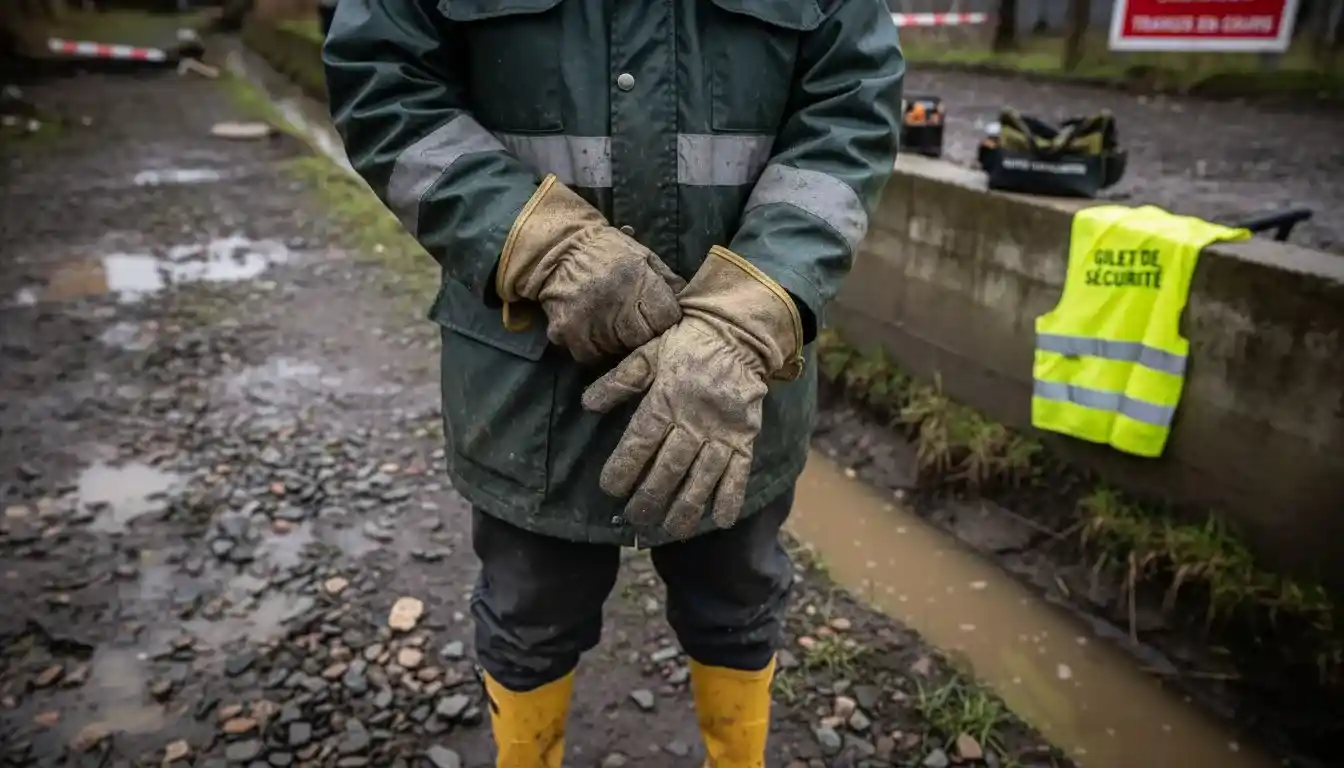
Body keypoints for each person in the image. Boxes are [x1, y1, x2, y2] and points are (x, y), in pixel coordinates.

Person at [322, 1, 903, 764]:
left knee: (738, 604)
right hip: (529, 376)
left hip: (736, 382)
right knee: (528, 617)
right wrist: (534, 241)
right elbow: (384, 82)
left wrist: (752, 312)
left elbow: (851, 111)